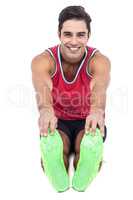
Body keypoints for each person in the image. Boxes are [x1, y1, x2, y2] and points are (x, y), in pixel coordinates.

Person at [31, 5, 110, 174]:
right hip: (57, 121)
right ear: (59, 34)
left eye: (80, 35)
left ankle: (89, 163)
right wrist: (45, 110)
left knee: (86, 145)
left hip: (87, 120)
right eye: (68, 34)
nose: (74, 41)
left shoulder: (99, 61)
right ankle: (54, 165)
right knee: (60, 148)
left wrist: (97, 110)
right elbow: (42, 87)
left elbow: (99, 87)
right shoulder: (43, 61)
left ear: (88, 36)